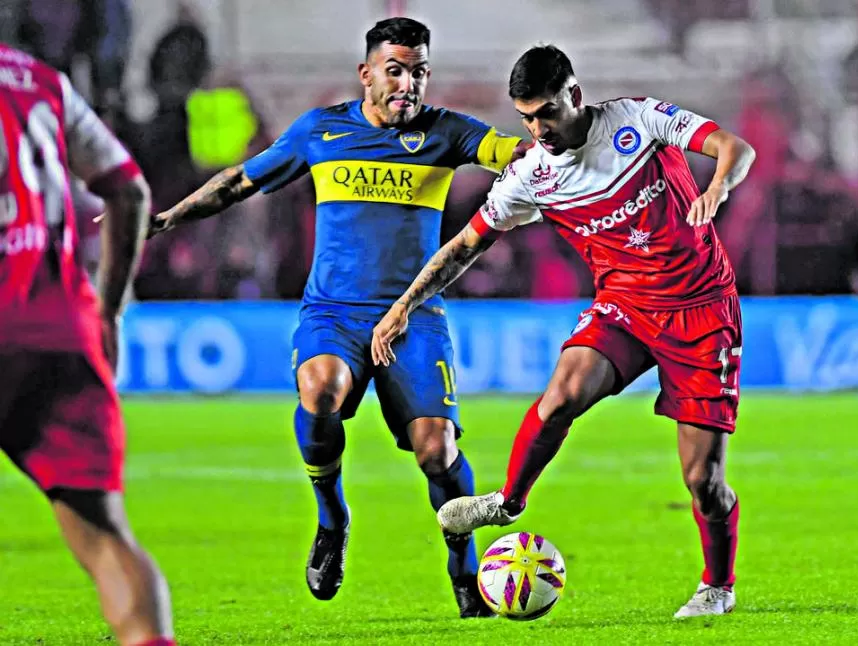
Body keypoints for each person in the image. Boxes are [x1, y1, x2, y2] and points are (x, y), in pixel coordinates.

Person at [147, 17, 525, 617]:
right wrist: (168, 218)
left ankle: (464, 562)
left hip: (414, 315)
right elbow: (240, 182)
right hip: (335, 312)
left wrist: (556, 140)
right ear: (367, 72)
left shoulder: (445, 133)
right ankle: (332, 519)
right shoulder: (321, 132)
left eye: (419, 72)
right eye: (396, 70)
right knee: (319, 389)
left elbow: (514, 152)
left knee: (437, 450)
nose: (408, 84)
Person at [372, 44, 757, 619]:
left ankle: (717, 585)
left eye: (546, 112)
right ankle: (507, 503)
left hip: (702, 310)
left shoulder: (634, 119)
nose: (537, 128)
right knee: (560, 399)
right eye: (526, 116)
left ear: (574, 95)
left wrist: (717, 187)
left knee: (703, 480)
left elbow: (734, 147)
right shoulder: (531, 174)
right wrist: (404, 304)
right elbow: (465, 247)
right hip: (625, 306)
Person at [0, 44, 175, 645]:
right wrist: (108, 312)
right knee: (104, 537)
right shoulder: (37, 79)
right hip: (56, 330)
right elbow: (128, 191)